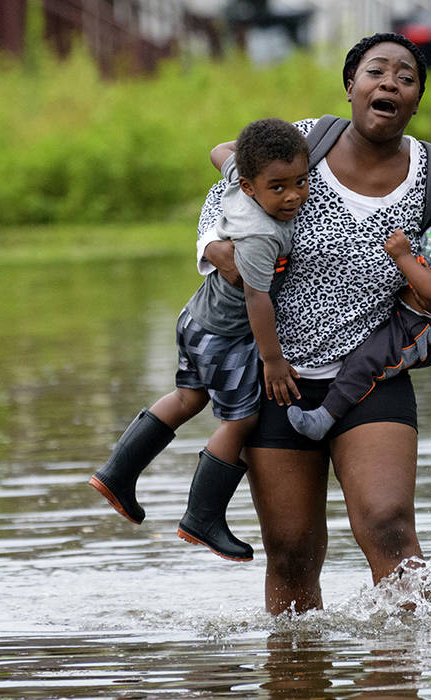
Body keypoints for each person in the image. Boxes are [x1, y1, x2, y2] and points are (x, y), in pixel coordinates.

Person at [197, 32, 431, 614]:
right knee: (291, 551)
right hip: (277, 374)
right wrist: (218, 251)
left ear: (417, 100)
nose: (389, 83)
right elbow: (226, 192)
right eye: (377, 71)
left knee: (389, 526)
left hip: (372, 372)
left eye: (406, 77)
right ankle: (297, 673)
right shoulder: (303, 143)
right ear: (351, 85)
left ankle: (405, 662)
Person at [89, 118, 309, 562]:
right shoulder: (261, 234)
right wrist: (272, 361)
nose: (292, 196)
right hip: (226, 335)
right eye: (278, 187)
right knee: (240, 421)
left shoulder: (237, 178)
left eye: (301, 182)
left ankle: (117, 473)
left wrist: (245, 156)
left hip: (195, 320)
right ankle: (202, 517)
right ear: (249, 187)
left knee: (189, 397)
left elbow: (218, 150)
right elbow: (256, 298)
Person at [287, 157, 431, 440]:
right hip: (405, 315)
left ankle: (324, 418)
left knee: (368, 360)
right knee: (361, 350)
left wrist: (402, 257)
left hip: (423, 330)